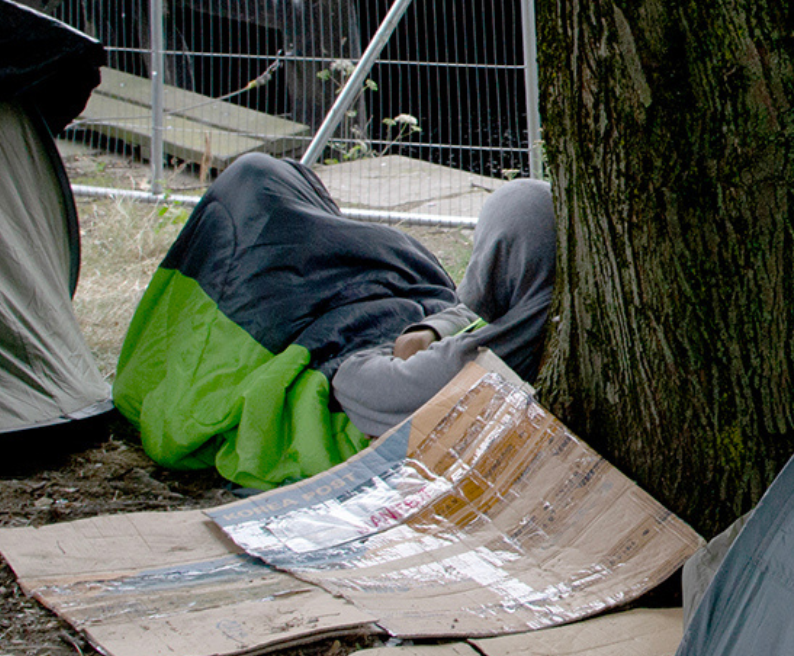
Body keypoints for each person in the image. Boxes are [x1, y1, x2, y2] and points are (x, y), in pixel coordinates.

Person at [114, 153, 555, 489]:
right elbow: (467, 308)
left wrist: (404, 339)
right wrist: (430, 327)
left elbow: (357, 382)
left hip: (333, 331)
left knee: (256, 192)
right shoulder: (531, 310)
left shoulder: (471, 369)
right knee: (267, 191)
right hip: (381, 296)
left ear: (496, 255)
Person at [331, 176, 555, 437]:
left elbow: (351, 382)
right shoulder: (544, 305)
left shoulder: (476, 364)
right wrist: (433, 328)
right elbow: (479, 307)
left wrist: (391, 347)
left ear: (493, 256)